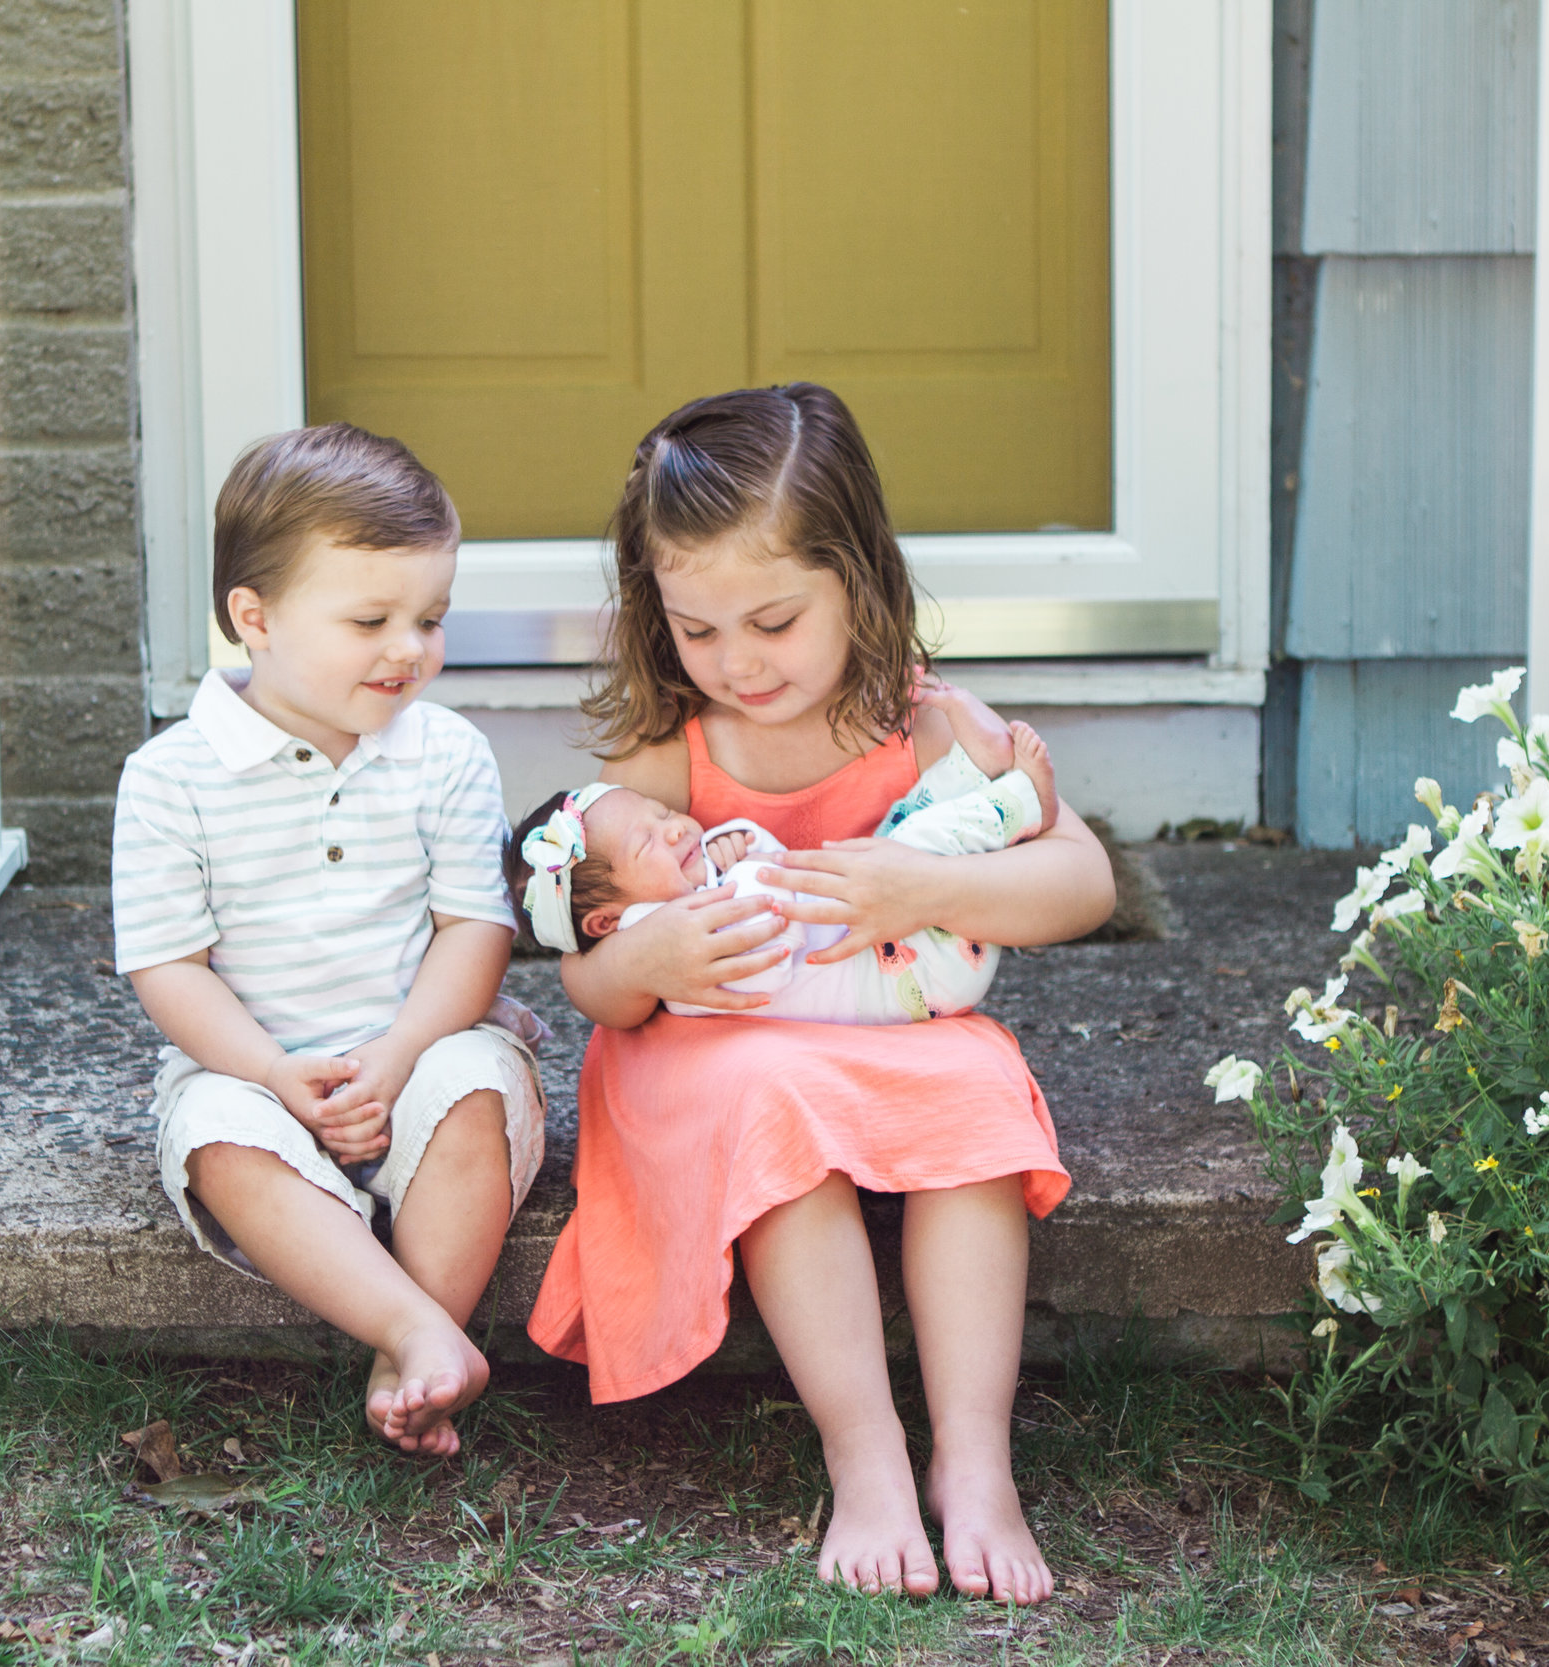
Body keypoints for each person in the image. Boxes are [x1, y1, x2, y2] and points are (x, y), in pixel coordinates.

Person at [526, 385, 1116, 1603]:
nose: (737, 663)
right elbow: (589, 973)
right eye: (696, 630)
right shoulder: (667, 756)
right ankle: (868, 1456)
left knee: (976, 1096)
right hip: (720, 1054)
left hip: (888, 1026)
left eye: (775, 620)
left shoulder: (930, 723)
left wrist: (915, 886)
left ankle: (975, 1456)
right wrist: (650, 961)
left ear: (858, 577)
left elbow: (1082, 877)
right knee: (774, 1102)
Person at [112, 424, 545, 1457]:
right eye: (371, 619)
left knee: (475, 1083)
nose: (409, 647)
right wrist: (269, 1068)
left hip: (422, 1043)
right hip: (256, 1062)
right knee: (218, 1134)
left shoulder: (444, 752)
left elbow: (473, 926)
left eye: (430, 617)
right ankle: (411, 1327)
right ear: (253, 619)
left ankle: (415, 1355)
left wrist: (396, 1057)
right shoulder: (173, 777)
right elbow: (168, 963)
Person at [503, 687, 1059, 1023]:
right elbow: (770, 945)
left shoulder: (693, 896)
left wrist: (738, 846)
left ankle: (969, 770)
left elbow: (777, 863)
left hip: (908, 939)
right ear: (607, 921)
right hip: (920, 973)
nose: (673, 829)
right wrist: (743, 872)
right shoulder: (672, 957)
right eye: (647, 842)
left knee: (902, 830)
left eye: (661, 812)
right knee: (916, 847)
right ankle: (1022, 800)